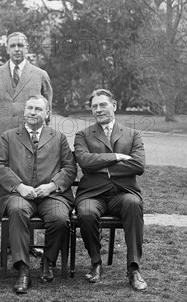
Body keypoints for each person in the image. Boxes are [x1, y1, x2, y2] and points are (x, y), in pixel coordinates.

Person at [0, 95, 76, 294]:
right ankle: (23, 269)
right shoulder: (8, 136)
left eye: (38, 109)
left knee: (59, 218)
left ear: (47, 113)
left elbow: (69, 168)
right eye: (29, 108)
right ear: (24, 112)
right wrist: (19, 186)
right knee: (17, 210)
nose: (32, 112)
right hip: (18, 195)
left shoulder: (58, 138)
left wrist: (52, 186)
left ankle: (48, 261)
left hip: (52, 195)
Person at [74, 89, 148, 291]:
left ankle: (133, 269)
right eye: (94, 106)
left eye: (103, 105)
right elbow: (84, 162)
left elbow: (138, 166)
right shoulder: (83, 135)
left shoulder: (132, 135)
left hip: (123, 193)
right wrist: (116, 157)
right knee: (87, 213)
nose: (98, 110)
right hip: (92, 194)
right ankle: (96, 262)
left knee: (133, 204)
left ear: (114, 106)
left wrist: (103, 169)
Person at [0, 32, 53, 149]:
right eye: (12, 46)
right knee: (1, 167)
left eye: (20, 45)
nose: (16, 49)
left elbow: (48, 109)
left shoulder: (40, 75)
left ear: (27, 48)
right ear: (7, 49)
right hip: (1, 138)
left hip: (30, 138)